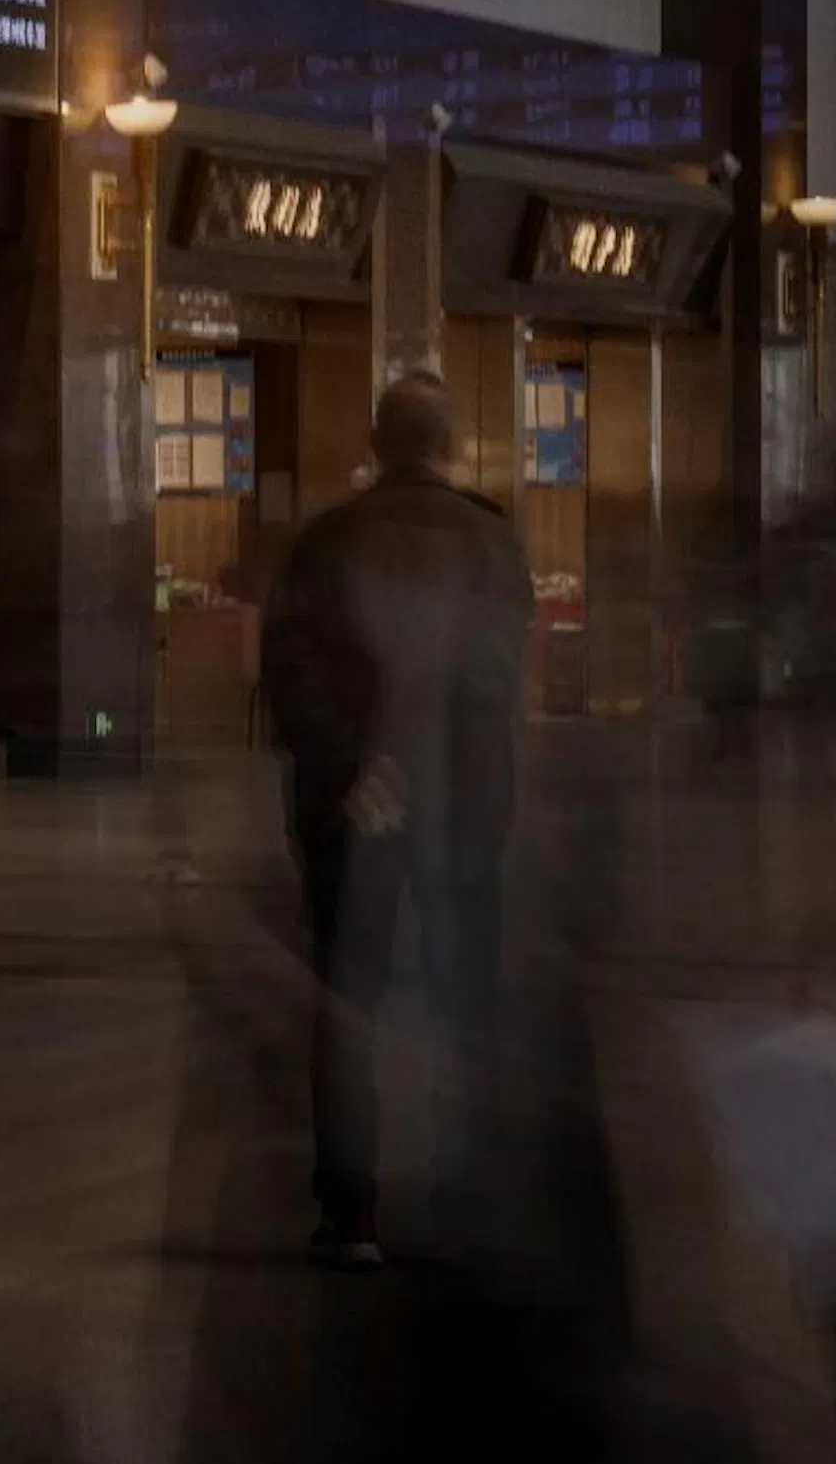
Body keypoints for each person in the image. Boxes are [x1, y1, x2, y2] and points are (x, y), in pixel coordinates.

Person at [261, 371, 531, 1270]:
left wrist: (356, 767)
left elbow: (290, 676)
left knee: (347, 1004)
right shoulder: (493, 544)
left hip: (355, 807)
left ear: (377, 447)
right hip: (461, 808)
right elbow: (496, 683)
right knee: (466, 1003)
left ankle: (352, 1215)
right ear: (448, 447)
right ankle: (467, 1200)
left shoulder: (326, 541)